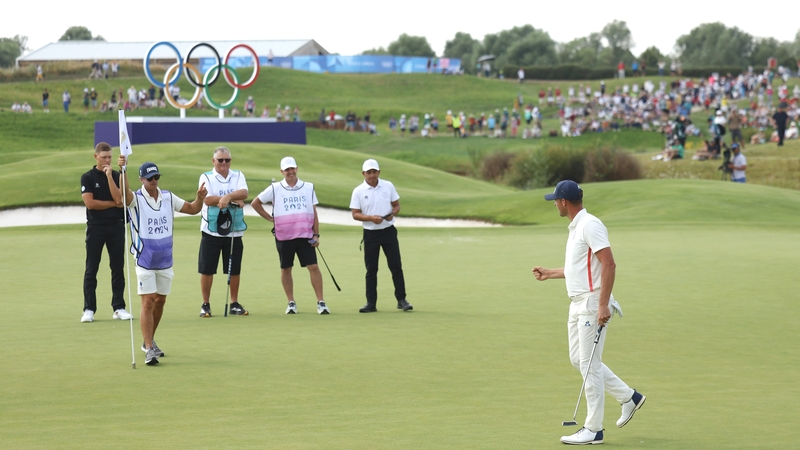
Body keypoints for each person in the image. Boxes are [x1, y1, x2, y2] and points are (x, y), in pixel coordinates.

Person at [532, 180, 644, 445]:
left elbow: (609, 264)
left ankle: (594, 428)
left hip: (592, 303)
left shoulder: (590, 225)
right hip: (577, 303)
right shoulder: (576, 227)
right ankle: (629, 397)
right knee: (578, 360)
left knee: (589, 364)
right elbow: (580, 269)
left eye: (555, 201)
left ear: (563, 202)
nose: (555, 205)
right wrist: (551, 273)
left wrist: (603, 304)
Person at [119, 158, 208, 365]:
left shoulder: (168, 197)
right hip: (144, 260)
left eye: (157, 177)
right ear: (141, 179)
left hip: (165, 260)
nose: (154, 181)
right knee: (148, 300)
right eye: (150, 178)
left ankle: (147, 340)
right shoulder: (136, 199)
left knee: (160, 301)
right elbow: (125, 194)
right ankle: (149, 348)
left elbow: (192, 209)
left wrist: (200, 199)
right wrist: (122, 170)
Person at [251, 157, 329, 315]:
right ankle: (291, 302)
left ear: (297, 169)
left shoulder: (308, 187)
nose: (290, 172)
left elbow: (313, 212)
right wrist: (270, 218)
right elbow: (255, 203)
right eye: (287, 169)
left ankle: (321, 302)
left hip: (305, 235)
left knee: (313, 267)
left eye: (292, 168)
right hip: (284, 236)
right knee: (286, 268)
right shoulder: (275, 188)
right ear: (282, 172)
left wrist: (316, 234)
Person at [349, 159, 413, 313]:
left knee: (396, 266)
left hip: (388, 232)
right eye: (369, 172)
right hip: (370, 234)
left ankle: (401, 300)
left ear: (379, 172)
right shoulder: (358, 191)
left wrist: (392, 214)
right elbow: (355, 214)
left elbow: (396, 205)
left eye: (374, 172)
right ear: (363, 173)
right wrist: (371, 218)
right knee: (371, 269)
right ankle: (371, 303)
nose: (372, 175)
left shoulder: (388, 185)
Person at [80, 142, 134, 323]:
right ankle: (89, 309)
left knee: (117, 268)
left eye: (110, 157)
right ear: (96, 157)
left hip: (116, 226)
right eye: (104, 157)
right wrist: (113, 204)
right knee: (91, 269)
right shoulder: (87, 177)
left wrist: (110, 176)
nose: (107, 160)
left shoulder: (117, 175)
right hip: (96, 227)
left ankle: (118, 307)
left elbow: (120, 199)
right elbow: (90, 203)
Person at [197, 147, 249, 318]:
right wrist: (231, 199)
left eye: (227, 160)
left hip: (234, 231)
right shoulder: (206, 177)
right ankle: (206, 304)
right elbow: (207, 199)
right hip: (211, 231)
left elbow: (245, 193)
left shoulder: (238, 175)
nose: (224, 163)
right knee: (207, 269)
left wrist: (228, 198)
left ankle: (234, 303)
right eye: (220, 160)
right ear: (214, 161)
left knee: (234, 269)